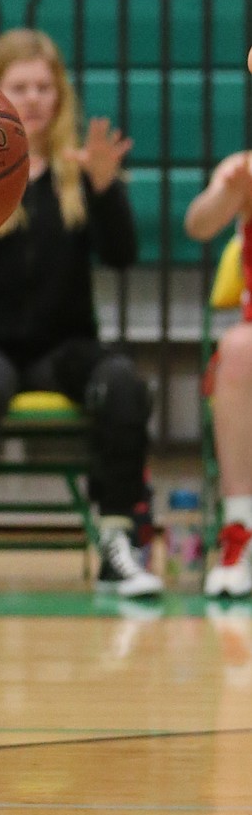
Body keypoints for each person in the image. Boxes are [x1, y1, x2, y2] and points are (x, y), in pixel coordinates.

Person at [0, 30, 161, 600]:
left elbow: (124, 255)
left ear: (59, 97)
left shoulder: (79, 174)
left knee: (123, 385)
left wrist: (106, 191)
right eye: (19, 87)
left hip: (60, 348)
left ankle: (116, 539)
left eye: (43, 88)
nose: (32, 99)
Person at [184, 152, 252, 597]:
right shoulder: (245, 168)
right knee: (238, 348)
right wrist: (228, 192)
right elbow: (199, 225)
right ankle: (240, 528)